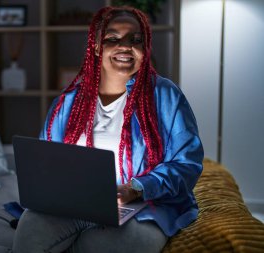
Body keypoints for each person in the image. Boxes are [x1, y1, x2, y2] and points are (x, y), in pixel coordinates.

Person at [12, 6, 204, 253]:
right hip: (75, 203)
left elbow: (187, 163)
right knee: (30, 228)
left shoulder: (165, 95)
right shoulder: (69, 101)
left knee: (125, 243)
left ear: (145, 49)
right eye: (113, 39)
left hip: (144, 205)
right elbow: (46, 161)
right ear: (95, 47)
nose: (125, 46)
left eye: (136, 40)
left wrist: (136, 188)